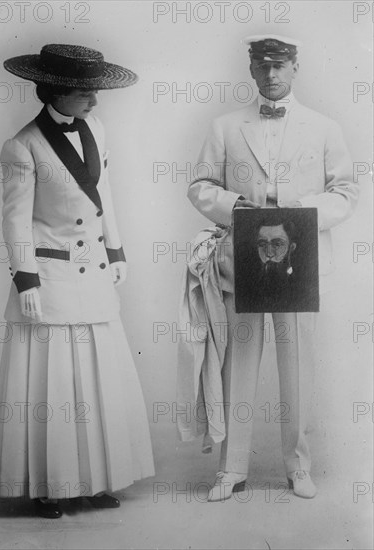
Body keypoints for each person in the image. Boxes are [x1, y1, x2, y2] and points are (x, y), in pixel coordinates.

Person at [186, 34, 358, 500]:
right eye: (263, 67)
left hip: (300, 263)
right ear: (251, 71)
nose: (272, 75)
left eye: (280, 66)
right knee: (237, 362)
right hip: (242, 260)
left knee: (297, 364)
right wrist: (235, 204)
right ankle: (232, 468)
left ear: (295, 68)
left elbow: (347, 192)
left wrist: (300, 211)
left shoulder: (323, 127)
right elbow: (200, 186)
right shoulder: (225, 126)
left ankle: (298, 466)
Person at [0, 43, 155, 518]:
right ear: (58, 91)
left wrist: (117, 250)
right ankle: (50, 488)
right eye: (87, 92)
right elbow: (15, 221)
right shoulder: (22, 147)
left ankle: (94, 482)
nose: (96, 101)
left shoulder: (97, 129)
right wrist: (26, 281)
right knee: (56, 386)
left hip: (95, 272)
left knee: (96, 382)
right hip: (52, 278)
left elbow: (105, 194)